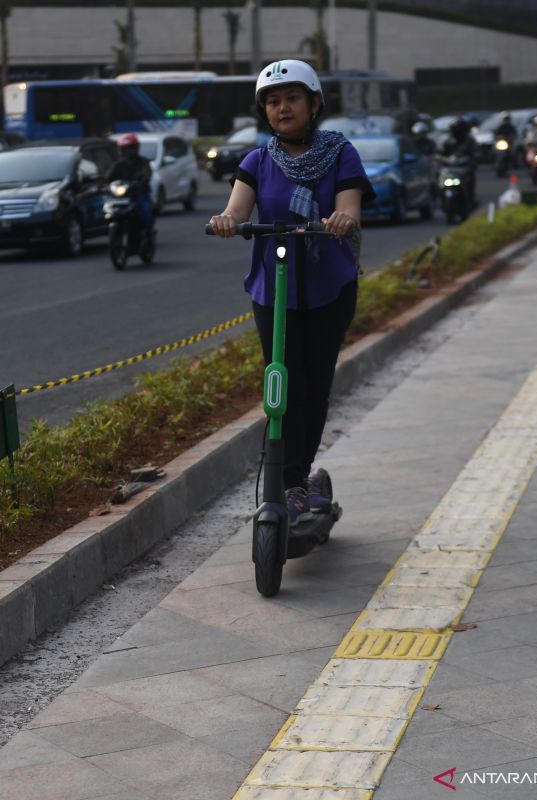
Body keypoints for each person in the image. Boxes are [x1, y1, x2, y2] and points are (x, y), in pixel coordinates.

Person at [208, 59, 372, 526]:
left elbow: (349, 206)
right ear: (264, 111)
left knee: (313, 385)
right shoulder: (256, 162)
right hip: (271, 289)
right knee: (281, 381)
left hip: (328, 287)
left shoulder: (341, 154)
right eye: (273, 101)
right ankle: (284, 482)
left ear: (314, 103)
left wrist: (343, 219)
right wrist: (226, 221)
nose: (283, 108)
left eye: (293, 98)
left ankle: (296, 482)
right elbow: (236, 209)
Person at [106, 133, 154, 233]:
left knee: (146, 211)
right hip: (121, 196)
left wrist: (143, 180)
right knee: (108, 209)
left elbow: (147, 173)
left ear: (136, 148)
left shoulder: (143, 162)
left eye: (131, 148)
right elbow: (108, 177)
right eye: (126, 149)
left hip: (138, 193)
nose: (128, 151)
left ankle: (148, 232)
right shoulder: (118, 164)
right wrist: (102, 184)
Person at [441, 116, 478, 202]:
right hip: (451, 167)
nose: (457, 131)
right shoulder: (448, 141)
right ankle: (440, 196)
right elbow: (442, 152)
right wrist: (438, 158)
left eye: (459, 129)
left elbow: (475, 152)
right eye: (455, 129)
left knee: (470, 176)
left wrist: (473, 160)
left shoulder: (469, 140)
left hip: (464, 167)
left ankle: (470, 197)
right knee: (440, 177)